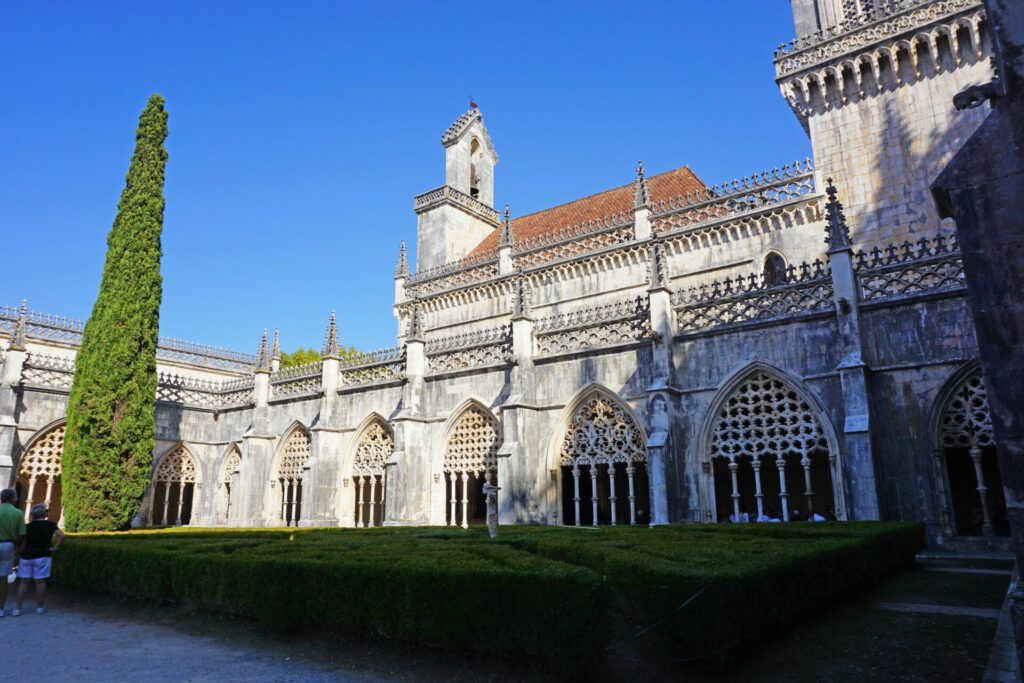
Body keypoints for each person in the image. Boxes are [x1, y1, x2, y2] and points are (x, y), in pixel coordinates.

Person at [12, 503, 64, 616]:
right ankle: (39, 607)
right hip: (43, 555)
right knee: (40, 582)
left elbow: (22, 541)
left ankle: (17, 609)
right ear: (42, 514)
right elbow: (61, 535)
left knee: (24, 583)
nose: (47, 512)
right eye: (46, 511)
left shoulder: (28, 526)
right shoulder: (50, 525)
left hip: (27, 556)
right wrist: (56, 547)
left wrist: (19, 553)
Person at [0, 488, 26, 618]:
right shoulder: (18, 513)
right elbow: (22, 534)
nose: (16, 499)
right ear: (12, 498)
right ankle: (0, 609)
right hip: (7, 545)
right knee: (3, 579)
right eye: (15, 497)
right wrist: (16, 547)